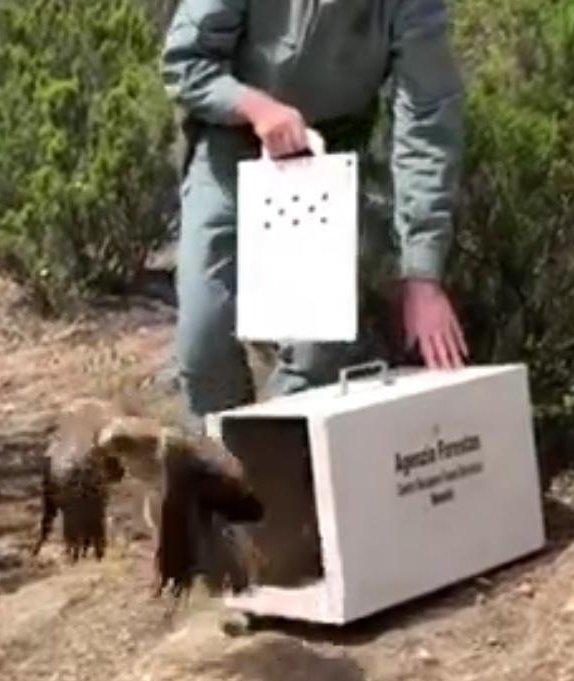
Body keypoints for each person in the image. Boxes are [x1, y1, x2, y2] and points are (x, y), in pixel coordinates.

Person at [161, 0, 470, 429]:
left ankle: (276, 471)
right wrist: (255, 107)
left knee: (315, 357)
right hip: (229, 150)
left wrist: (422, 274)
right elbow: (185, 63)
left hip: (328, 159)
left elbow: (427, 123)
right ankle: (217, 468)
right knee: (204, 336)